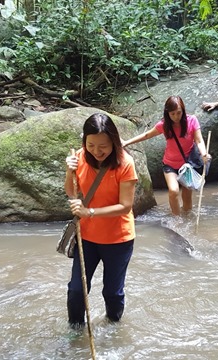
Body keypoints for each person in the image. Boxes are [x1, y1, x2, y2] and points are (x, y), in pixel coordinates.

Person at [64, 113, 138, 329]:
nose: (97, 151)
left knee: (112, 292)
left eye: (103, 146)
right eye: (91, 145)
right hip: (86, 237)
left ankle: (113, 328)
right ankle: (75, 332)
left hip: (118, 239)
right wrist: (70, 171)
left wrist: (91, 212)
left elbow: (125, 206)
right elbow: (71, 192)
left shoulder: (125, 163)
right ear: (84, 142)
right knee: (76, 289)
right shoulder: (79, 157)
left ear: (114, 142)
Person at [122, 96, 210, 216]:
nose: (176, 117)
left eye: (178, 113)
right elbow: (147, 135)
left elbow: (199, 141)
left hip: (188, 165)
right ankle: (176, 219)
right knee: (173, 191)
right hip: (170, 164)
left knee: (187, 195)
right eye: (172, 114)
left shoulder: (192, 120)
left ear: (183, 110)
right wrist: (127, 142)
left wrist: (204, 154)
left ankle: (187, 217)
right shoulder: (164, 125)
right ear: (167, 113)